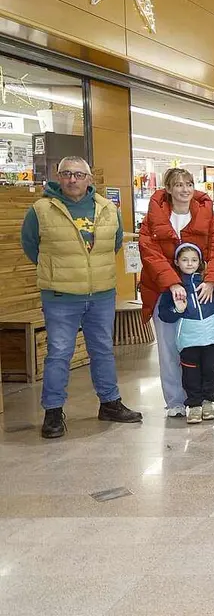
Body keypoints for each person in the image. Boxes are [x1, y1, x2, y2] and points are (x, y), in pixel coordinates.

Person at [20, 156, 141, 438]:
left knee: (102, 350)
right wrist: (59, 270)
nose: (72, 179)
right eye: (66, 174)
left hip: (100, 293)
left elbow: (112, 244)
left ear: (89, 179)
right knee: (59, 353)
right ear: (58, 177)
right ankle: (52, 412)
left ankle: (110, 403)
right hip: (60, 295)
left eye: (78, 174)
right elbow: (30, 246)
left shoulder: (107, 208)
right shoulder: (41, 209)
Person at [139, 167, 214, 417]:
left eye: (189, 184)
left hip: (202, 289)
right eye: (178, 185)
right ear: (168, 189)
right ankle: (175, 402)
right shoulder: (153, 217)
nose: (184, 189)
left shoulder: (207, 214)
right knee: (169, 348)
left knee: (204, 347)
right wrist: (172, 283)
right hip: (164, 289)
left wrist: (212, 281)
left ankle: (203, 398)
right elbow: (150, 253)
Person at [156, 243, 214, 424]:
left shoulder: (208, 285)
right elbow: (164, 315)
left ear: (200, 262)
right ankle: (194, 405)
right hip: (188, 340)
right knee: (190, 374)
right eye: (184, 260)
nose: (189, 264)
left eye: (194, 260)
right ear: (176, 262)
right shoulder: (173, 288)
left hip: (211, 338)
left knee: (210, 370)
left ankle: (208, 403)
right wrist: (178, 309)